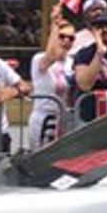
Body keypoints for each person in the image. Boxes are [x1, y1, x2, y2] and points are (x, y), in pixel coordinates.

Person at [28, 13, 77, 150]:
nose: (66, 41)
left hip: (64, 118)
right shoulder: (39, 58)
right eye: (62, 36)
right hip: (44, 118)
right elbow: (51, 57)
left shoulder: (72, 62)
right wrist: (54, 25)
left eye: (71, 38)